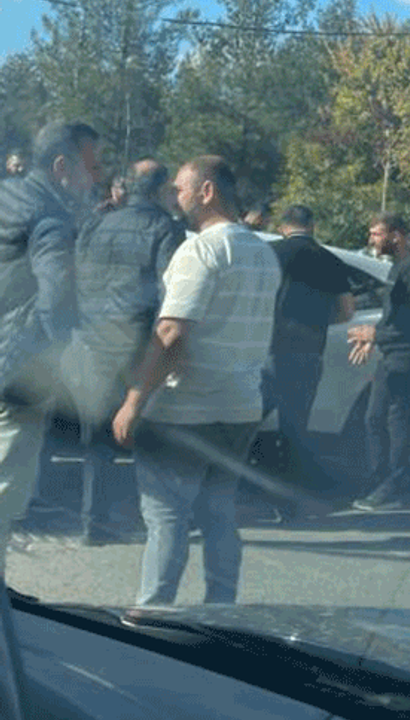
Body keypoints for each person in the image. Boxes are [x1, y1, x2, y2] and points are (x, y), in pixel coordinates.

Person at [112, 156, 280, 605]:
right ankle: (221, 609)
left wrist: (133, 401)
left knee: (166, 515)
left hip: (185, 409)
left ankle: (154, 614)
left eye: (181, 189)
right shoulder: (264, 254)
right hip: (241, 408)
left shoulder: (200, 251)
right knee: (219, 513)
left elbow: (171, 332)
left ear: (207, 191)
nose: (175, 197)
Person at [64, 159, 184, 546]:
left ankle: (92, 521)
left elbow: (75, 278)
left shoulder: (95, 223)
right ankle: (143, 518)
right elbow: (170, 294)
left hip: (91, 341)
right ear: (160, 189)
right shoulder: (166, 228)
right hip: (136, 345)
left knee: (95, 439)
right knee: (143, 433)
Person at [0, 121, 101, 574]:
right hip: (16, 374)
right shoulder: (51, 216)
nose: (95, 179)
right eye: (91, 168)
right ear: (62, 167)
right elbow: (56, 298)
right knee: (5, 493)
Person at [260, 205, 354, 509]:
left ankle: (226, 485)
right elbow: (346, 311)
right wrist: (318, 322)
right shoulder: (330, 260)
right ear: (312, 225)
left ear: (282, 226)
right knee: (295, 428)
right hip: (309, 353)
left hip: (268, 351)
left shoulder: (269, 253)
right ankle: (286, 500)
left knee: (244, 421)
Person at [346, 212, 410, 511]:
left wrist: (375, 334)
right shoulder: (398, 267)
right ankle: (380, 478)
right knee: (374, 418)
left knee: (395, 419)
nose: (371, 240)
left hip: (407, 356)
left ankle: (393, 485)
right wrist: (372, 338)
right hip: (393, 354)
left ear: (396, 235)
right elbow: (393, 317)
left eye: (377, 234)